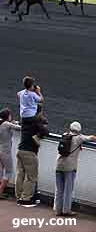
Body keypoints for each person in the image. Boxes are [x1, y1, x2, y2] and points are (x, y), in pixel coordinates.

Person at [54, 121, 96, 216]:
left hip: (59, 165)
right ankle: (66, 210)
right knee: (68, 189)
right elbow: (93, 138)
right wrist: (84, 136)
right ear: (79, 130)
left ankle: (58, 210)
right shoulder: (79, 138)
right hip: (70, 167)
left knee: (59, 189)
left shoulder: (64, 135)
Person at [15, 76, 46, 206]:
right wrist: (38, 91)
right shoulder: (36, 121)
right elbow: (42, 100)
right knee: (31, 176)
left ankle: (18, 196)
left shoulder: (22, 93)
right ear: (32, 86)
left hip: (20, 148)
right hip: (29, 151)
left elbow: (19, 94)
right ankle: (26, 198)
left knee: (20, 174)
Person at [0, 108, 21, 198]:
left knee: (0, 172)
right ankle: (0, 192)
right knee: (9, 172)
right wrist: (16, 123)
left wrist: (12, 123)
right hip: (5, 151)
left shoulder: (2, 123)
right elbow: (20, 128)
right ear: (8, 116)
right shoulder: (7, 124)